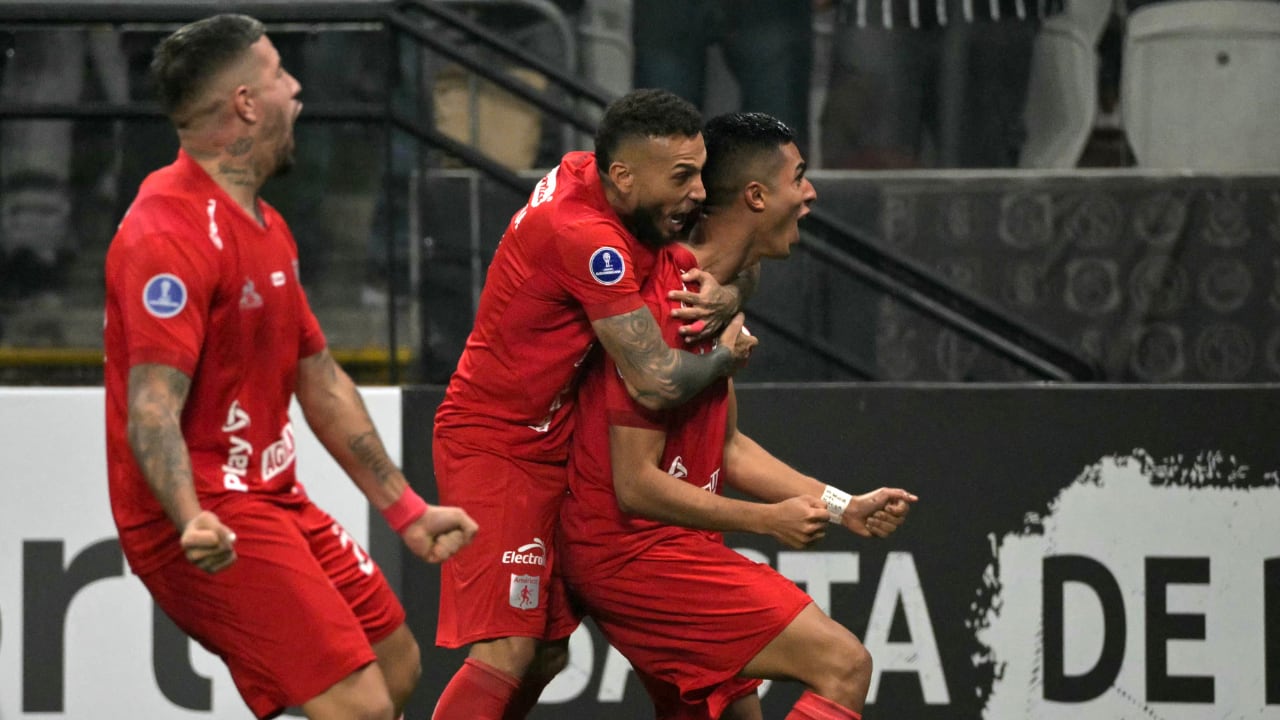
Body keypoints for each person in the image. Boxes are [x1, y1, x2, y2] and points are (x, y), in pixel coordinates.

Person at [102, 15, 478, 720]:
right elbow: (151, 405)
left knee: (396, 662)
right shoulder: (168, 234)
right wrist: (191, 520)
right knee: (360, 708)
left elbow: (321, 378)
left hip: (271, 495)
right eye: (278, 72)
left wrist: (406, 510)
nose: (297, 87)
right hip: (202, 517)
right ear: (245, 102)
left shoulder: (266, 226)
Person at [558, 112, 919, 720]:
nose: (810, 193)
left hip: (661, 546)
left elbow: (727, 449)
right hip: (636, 554)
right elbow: (634, 482)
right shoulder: (672, 304)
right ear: (755, 196)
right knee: (842, 664)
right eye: (797, 178)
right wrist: (767, 521)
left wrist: (843, 506)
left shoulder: (714, 294)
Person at [430, 88, 758, 719]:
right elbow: (655, 382)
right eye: (683, 176)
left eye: (701, 171)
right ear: (624, 175)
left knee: (548, 652)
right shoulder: (586, 237)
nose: (697, 192)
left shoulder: (600, 175)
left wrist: (727, 292)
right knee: (506, 650)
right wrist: (726, 357)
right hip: (497, 442)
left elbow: (723, 261)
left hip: (560, 439)